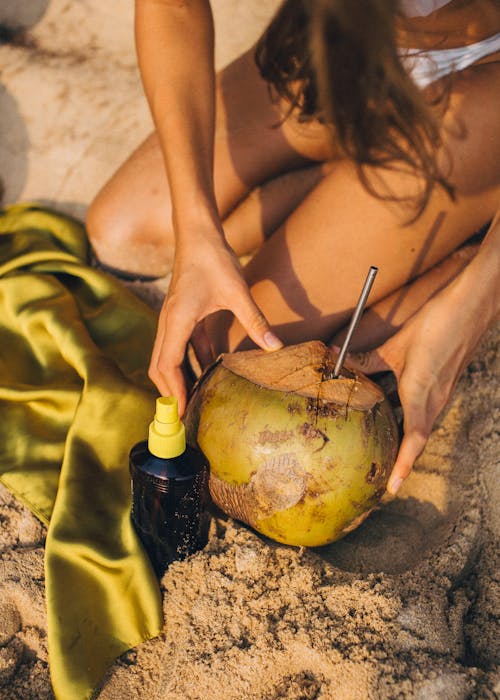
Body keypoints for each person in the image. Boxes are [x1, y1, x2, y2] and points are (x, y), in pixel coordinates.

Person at [86, 0, 500, 496]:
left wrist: (476, 301)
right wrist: (197, 234)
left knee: (237, 350)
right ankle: (373, 176)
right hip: (350, 39)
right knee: (123, 232)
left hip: (485, 90)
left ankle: (464, 236)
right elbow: (172, 7)